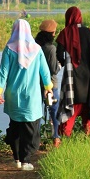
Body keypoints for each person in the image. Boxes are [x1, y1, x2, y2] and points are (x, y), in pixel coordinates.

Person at [0, 19, 53, 170]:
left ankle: (17, 159)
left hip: (13, 94)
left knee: (15, 125)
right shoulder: (37, 49)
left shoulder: (9, 49)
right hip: (32, 95)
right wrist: (48, 87)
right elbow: (45, 72)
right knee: (31, 127)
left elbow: (3, 72)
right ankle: (26, 159)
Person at [56, 6, 90, 137]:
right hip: (89, 79)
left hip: (72, 79)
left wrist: (67, 64)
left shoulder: (64, 33)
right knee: (88, 111)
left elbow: (59, 55)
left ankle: (65, 139)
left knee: (70, 109)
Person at [35, 19, 62, 147]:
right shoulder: (51, 48)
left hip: (36, 84)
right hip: (51, 85)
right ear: (51, 34)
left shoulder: (35, 46)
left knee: (37, 112)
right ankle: (56, 138)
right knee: (54, 111)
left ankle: (36, 139)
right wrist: (60, 65)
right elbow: (53, 70)